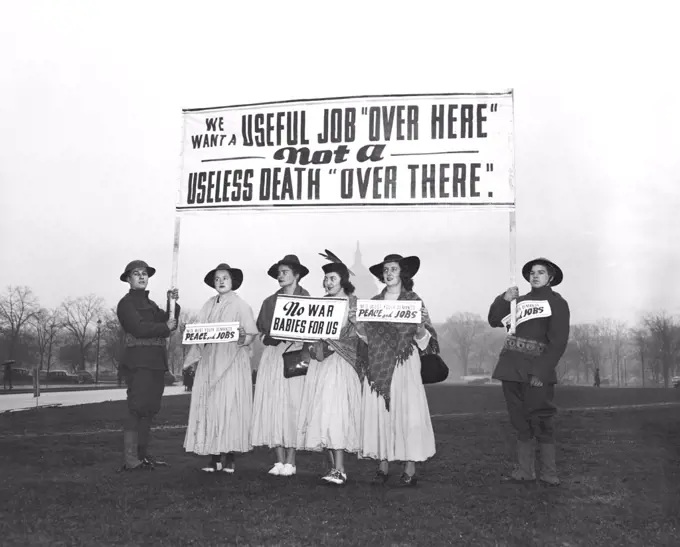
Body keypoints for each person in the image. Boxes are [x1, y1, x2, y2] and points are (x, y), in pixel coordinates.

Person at [357, 253, 440, 487]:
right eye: (386, 270)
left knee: (407, 411)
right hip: (378, 362)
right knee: (381, 412)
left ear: (403, 273)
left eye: (393, 269)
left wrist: (421, 327)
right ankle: (382, 464)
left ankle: (409, 466)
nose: (389, 273)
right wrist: (358, 325)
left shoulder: (414, 301)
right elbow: (366, 338)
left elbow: (427, 341)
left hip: (405, 362)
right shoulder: (372, 303)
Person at [488, 257, 570, 486]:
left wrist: (540, 372)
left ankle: (549, 472)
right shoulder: (518, 301)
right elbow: (494, 320)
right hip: (510, 368)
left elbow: (558, 342)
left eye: (541, 272)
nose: (535, 276)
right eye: (532, 272)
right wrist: (504, 299)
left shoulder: (557, 303)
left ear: (550, 277)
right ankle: (525, 471)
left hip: (536, 370)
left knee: (542, 419)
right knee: (519, 420)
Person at [182, 263, 258, 473]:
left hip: (232, 360)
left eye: (225, 277)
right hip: (210, 360)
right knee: (211, 407)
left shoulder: (241, 305)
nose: (221, 281)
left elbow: (251, 333)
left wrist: (244, 338)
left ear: (232, 281)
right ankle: (214, 456)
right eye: (217, 279)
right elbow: (198, 331)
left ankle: (230, 456)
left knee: (231, 405)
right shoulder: (208, 305)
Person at [296, 252, 363, 485]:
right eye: (326, 279)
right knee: (322, 411)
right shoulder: (321, 303)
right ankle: (334, 467)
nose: (328, 282)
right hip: (321, 363)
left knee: (337, 413)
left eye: (332, 278)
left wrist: (335, 342)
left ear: (343, 279)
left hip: (342, 364)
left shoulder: (353, 304)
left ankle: (340, 468)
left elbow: (360, 335)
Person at [251, 254, 311, 477]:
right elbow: (262, 333)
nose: (280, 275)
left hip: (297, 354)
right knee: (274, 404)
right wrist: (269, 338)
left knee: (293, 406)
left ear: (296, 275)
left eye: (285, 272)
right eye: (279, 272)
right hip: (274, 357)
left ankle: (291, 459)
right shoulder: (269, 302)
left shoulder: (309, 301)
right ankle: (278, 460)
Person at [116, 259, 180, 471]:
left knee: (150, 410)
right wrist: (164, 326)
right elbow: (139, 328)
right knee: (136, 409)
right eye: (136, 273)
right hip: (139, 362)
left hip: (155, 362)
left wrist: (172, 303)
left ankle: (143, 456)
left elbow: (169, 322)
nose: (142, 276)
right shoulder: (126, 304)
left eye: (145, 273)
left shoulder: (151, 305)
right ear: (128, 279)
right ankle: (131, 458)